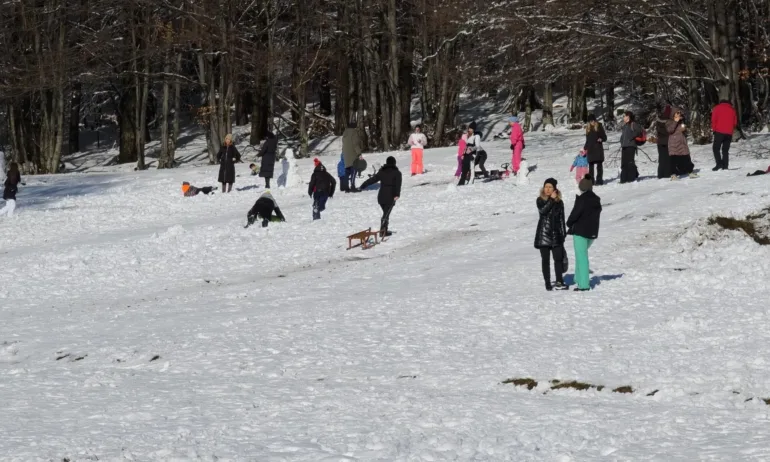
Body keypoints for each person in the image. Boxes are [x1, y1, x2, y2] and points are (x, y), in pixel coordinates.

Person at [566, 174, 602, 292]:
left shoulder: (582, 199)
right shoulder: (596, 199)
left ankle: (584, 284)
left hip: (581, 232)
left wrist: (569, 223)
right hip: (592, 233)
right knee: (581, 255)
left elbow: (575, 214)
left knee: (581, 257)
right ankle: (578, 278)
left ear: (582, 187)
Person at [534, 178, 567, 291]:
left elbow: (562, 219)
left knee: (558, 259)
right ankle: (547, 282)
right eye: (546, 187)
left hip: (556, 234)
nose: (547, 189)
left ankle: (559, 281)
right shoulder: (540, 200)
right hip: (544, 234)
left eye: (550, 187)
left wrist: (563, 234)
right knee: (545, 260)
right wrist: (551, 200)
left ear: (555, 189)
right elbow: (543, 211)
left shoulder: (560, 202)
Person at [359, 156, 402, 238]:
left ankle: (384, 230)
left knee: (386, 213)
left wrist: (363, 185)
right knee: (386, 214)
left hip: (381, 196)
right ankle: (383, 232)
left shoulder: (382, 171)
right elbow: (398, 185)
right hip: (391, 196)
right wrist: (397, 194)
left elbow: (373, 179)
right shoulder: (397, 173)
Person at [667, 108, 698, 179]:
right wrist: (675, 121)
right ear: (673, 114)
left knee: (687, 158)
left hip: (682, 143)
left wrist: (684, 128)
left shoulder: (681, 121)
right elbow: (670, 130)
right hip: (674, 144)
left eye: (679, 113)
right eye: (677, 113)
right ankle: (673, 175)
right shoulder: (669, 122)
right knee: (673, 160)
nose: (679, 114)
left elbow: (684, 131)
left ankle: (690, 172)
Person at [711, 100, 738, 171]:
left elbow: (714, 120)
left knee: (716, 148)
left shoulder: (716, 108)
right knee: (725, 150)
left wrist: (714, 130)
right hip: (729, 133)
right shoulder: (732, 110)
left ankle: (719, 164)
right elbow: (735, 122)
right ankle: (725, 165)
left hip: (719, 132)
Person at [619, 111, 642, 184]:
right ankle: (623, 179)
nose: (623, 117)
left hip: (631, 146)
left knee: (630, 162)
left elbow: (639, 131)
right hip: (624, 146)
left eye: (625, 116)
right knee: (624, 163)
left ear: (628, 117)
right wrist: (621, 140)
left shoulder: (633, 124)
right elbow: (623, 135)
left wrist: (631, 137)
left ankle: (630, 178)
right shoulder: (625, 125)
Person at [583, 114, 606, 185]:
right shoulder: (588, 128)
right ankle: (591, 181)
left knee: (599, 165)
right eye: (590, 121)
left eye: (593, 120)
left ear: (595, 120)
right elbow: (588, 140)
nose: (592, 122)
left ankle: (599, 180)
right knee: (591, 167)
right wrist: (585, 148)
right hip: (590, 150)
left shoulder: (599, 126)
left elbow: (605, 137)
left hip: (598, 149)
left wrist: (601, 139)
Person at [342, 122, 364, 192]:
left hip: (345, 154)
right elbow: (355, 144)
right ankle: (352, 187)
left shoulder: (345, 133)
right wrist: (359, 153)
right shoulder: (354, 133)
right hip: (352, 154)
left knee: (347, 171)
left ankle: (346, 187)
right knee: (354, 170)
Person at [651, 105, 672, 179]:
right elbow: (669, 131)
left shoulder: (658, 120)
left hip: (660, 142)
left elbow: (658, 131)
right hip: (666, 141)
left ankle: (660, 174)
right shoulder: (669, 121)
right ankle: (667, 173)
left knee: (661, 158)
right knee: (667, 159)